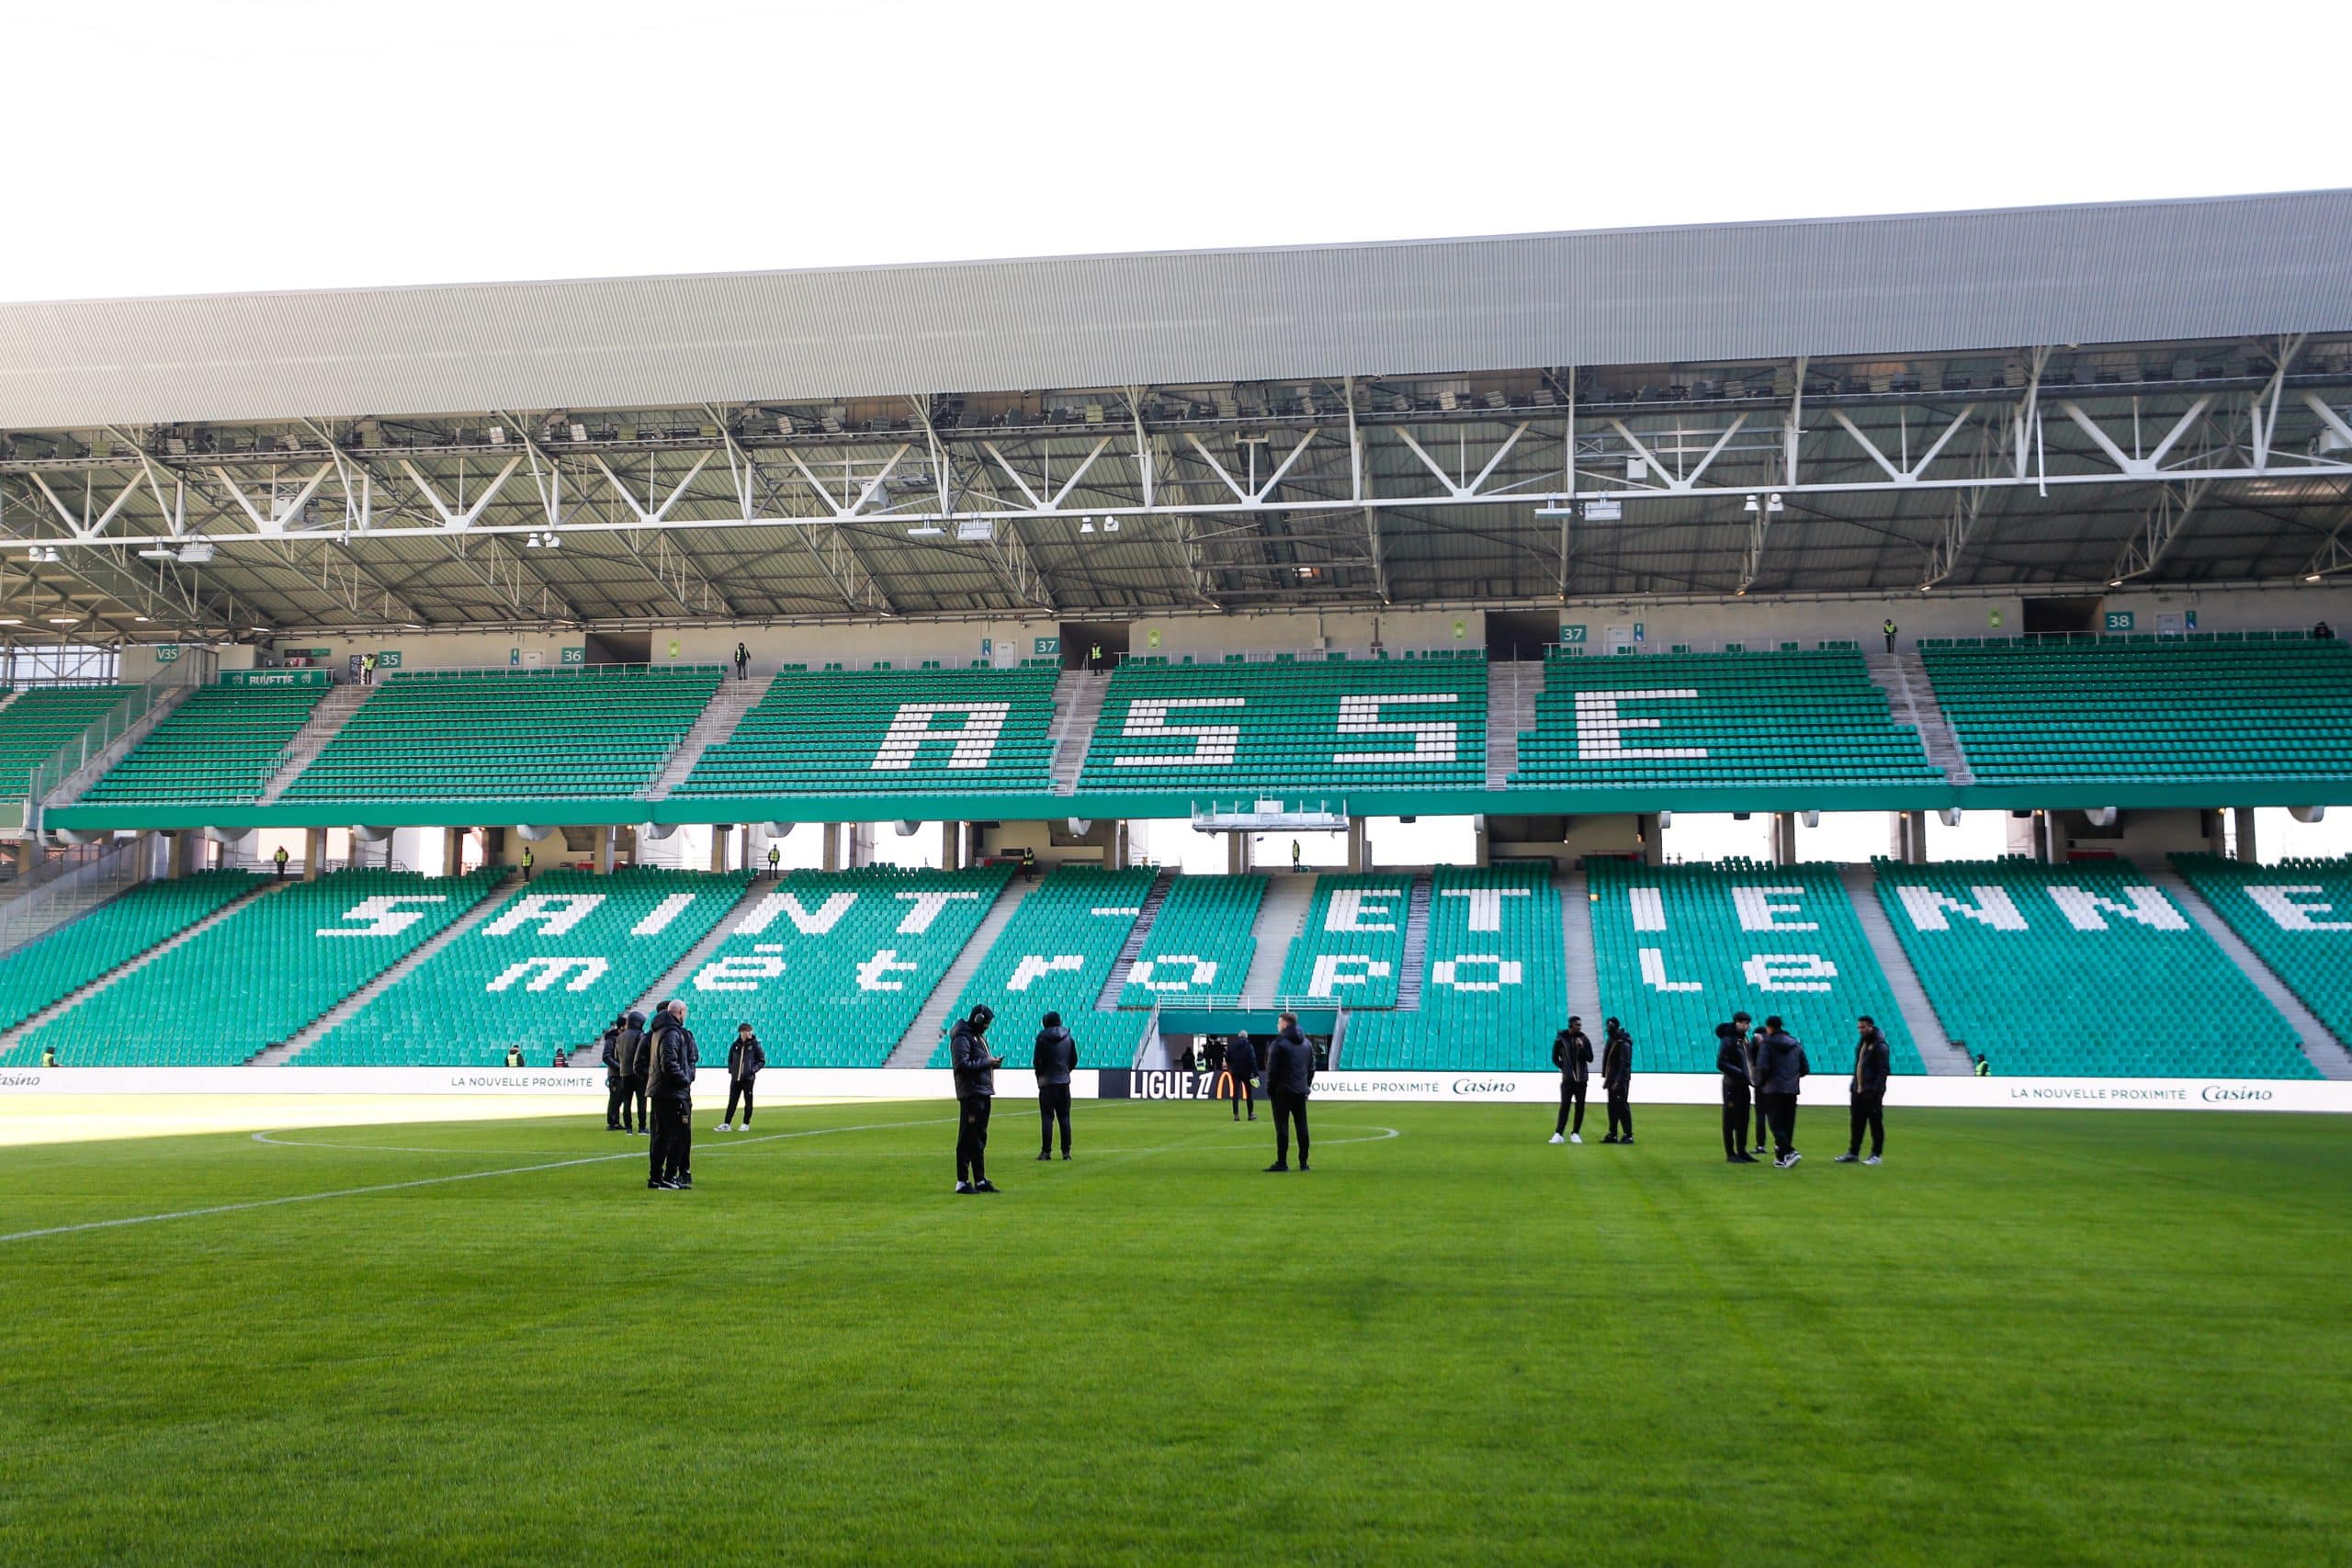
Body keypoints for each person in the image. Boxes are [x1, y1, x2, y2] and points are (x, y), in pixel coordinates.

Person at [950, 1005, 1003, 1193]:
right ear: (978, 1020)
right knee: (967, 1136)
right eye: (986, 1023)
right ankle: (962, 1181)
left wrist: (991, 1064)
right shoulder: (962, 1038)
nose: (987, 1026)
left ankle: (980, 1179)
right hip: (972, 1094)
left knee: (979, 1137)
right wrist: (987, 1062)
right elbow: (962, 1065)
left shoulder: (975, 1036)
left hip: (981, 1091)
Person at [647, 999, 697, 1190]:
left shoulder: (658, 1031)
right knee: (678, 1135)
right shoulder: (672, 1033)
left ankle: (656, 1177)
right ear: (680, 1012)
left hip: (660, 1091)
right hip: (673, 1093)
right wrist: (685, 1079)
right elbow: (669, 1062)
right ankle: (669, 1176)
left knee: (661, 1136)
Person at [1755, 1015, 1810, 1168]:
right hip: (1791, 1089)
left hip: (1772, 1089)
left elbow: (1763, 1067)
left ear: (1769, 1028)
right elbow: (1805, 1068)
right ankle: (1782, 1158)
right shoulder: (1796, 1044)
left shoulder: (1767, 1044)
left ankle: (1789, 1151)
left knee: (1774, 1123)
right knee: (1787, 1124)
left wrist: (1759, 1083)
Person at [1263, 1012, 1315, 1171]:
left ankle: (1282, 1162)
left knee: (1282, 1128)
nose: (1277, 1026)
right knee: (1302, 1127)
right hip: (1299, 1091)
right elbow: (1311, 1068)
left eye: (1279, 1023)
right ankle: (1303, 1163)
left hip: (1282, 1091)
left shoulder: (1279, 1043)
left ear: (1285, 1024)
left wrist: (1270, 1089)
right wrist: (1306, 1086)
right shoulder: (1306, 1043)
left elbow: (1272, 1069)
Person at [1838, 1016, 1891, 1165]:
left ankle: (1876, 1155)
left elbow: (1883, 1070)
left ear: (1871, 1027)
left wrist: (1876, 1090)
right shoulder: (1863, 1043)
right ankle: (1853, 1152)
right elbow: (1859, 1067)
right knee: (1856, 1123)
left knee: (1875, 1123)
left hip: (1871, 1092)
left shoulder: (1880, 1046)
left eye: (1863, 1027)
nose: (1860, 1030)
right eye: (1859, 1027)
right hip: (1858, 1091)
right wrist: (1855, 1086)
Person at [1033, 1010, 1076, 1160]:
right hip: (1063, 1082)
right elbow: (1074, 1060)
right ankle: (1066, 1152)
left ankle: (1046, 1152)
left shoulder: (1041, 1038)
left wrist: (1040, 1076)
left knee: (1047, 1118)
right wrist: (1065, 1072)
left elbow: (1037, 1061)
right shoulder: (1068, 1037)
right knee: (1064, 1118)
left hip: (1047, 1083)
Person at [1716, 1021, 1758, 1163]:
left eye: (1748, 1023)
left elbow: (1749, 1059)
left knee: (1744, 1119)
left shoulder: (1744, 1040)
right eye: (1743, 1023)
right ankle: (1730, 1153)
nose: (1746, 1026)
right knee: (1730, 1120)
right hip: (1732, 1084)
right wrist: (1740, 1073)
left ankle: (1741, 1150)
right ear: (1737, 1023)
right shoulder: (1728, 1040)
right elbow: (1721, 1063)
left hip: (1743, 1084)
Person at [1549, 1016, 1591, 1144]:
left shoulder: (1584, 1039)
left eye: (1580, 1025)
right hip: (1567, 1079)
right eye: (1577, 1025)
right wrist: (1564, 1067)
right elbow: (1554, 1057)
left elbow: (1590, 1058)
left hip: (1581, 1079)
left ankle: (1575, 1133)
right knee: (1565, 1106)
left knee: (1580, 1106)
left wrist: (1582, 1048)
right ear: (1570, 1025)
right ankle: (1559, 1133)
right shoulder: (1560, 1039)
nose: (1579, 1027)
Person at [719, 1021, 764, 1131]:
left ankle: (745, 1123)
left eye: (750, 1031)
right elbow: (730, 1059)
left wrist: (752, 1070)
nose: (749, 1033)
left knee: (748, 1101)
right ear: (741, 1032)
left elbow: (761, 1060)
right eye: (746, 1031)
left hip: (748, 1079)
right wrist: (732, 1070)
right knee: (732, 1101)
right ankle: (727, 1123)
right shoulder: (735, 1045)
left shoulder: (755, 1045)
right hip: (736, 1078)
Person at [1736, 1010, 1768, 1156]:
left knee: (1760, 1115)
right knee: (1777, 1116)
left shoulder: (1752, 1046)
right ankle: (1782, 1145)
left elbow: (1750, 1060)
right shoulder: (1773, 1045)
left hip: (1760, 1084)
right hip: (1776, 1085)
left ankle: (1760, 1145)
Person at [1600, 1017, 1634, 1144]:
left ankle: (1628, 1134)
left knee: (1622, 1107)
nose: (1608, 1029)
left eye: (1609, 1027)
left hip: (1620, 1080)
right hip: (1612, 1078)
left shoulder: (1623, 1042)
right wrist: (1607, 1078)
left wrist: (1618, 1081)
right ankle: (1613, 1133)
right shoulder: (1613, 1040)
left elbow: (1625, 1064)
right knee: (1612, 1107)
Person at [616, 1010, 650, 1134]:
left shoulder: (620, 1037)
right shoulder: (641, 1035)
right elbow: (643, 1053)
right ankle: (642, 1127)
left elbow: (616, 1055)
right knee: (641, 1101)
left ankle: (628, 1128)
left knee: (627, 1101)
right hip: (638, 1073)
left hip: (624, 1072)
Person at [601, 1013, 630, 1130]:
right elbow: (606, 1056)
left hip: (621, 1073)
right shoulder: (611, 1040)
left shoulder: (620, 1039)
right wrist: (619, 1067)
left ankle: (616, 1121)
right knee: (615, 1098)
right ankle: (612, 1122)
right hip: (615, 1074)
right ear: (622, 1027)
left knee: (620, 1099)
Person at [1221, 1031, 1257, 1122]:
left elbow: (1227, 1058)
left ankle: (1236, 1114)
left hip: (1235, 1072)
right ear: (1246, 1037)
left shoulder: (1232, 1046)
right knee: (1249, 1093)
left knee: (1236, 1093)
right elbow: (1252, 1060)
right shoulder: (1249, 1046)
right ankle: (1250, 1114)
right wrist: (1256, 1073)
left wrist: (1232, 1065)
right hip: (1247, 1072)